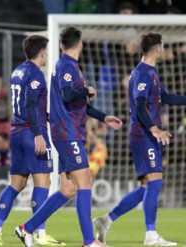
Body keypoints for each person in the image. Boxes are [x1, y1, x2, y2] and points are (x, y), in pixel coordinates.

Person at [15, 27, 123, 247]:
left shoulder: (71, 67)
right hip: (68, 132)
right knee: (84, 181)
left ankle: (27, 228)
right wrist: (86, 90)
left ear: (62, 44)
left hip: (67, 131)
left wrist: (104, 117)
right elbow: (67, 95)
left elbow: (78, 103)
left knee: (68, 189)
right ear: (80, 44)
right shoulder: (66, 65)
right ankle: (88, 241)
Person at [93, 33, 180, 247]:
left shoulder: (150, 73)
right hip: (144, 135)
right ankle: (151, 236)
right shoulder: (142, 73)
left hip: (146, 135)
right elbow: (140, 105)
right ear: (157, 48)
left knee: (145, 188)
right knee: (156, 181)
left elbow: (166, 97)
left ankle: (106, 220)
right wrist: (154, 129)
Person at [0, 35, 64, 246]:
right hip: (32, 133)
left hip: (16, 131)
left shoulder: (17, 71)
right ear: (42, 52)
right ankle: (39, 233)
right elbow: (30, 104)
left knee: (16, 184)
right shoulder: (36, 74)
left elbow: (26, 105)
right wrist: (39, 134)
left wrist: (44, 115)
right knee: (43, 182)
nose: (47, 54)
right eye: (46, 51)